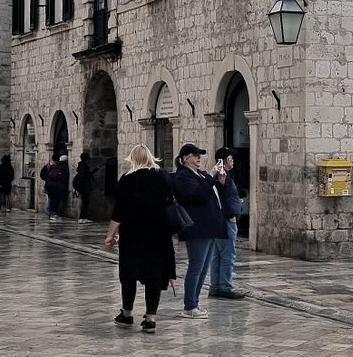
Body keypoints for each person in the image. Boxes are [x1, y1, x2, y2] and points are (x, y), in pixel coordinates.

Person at [103, 144, 176, 334]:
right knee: (154, 275)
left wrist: (110, 236)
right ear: (151, 157)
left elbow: (118, 211)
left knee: (129, 274)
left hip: (132, 234)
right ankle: (150, 319)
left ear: (133, 159)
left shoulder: (127, 180)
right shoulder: (163, 176)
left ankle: (126, 314)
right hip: (158, 234)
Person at [172, 143, 228, 319]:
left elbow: (212, 191)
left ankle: (194, 303)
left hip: (209, 226)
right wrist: (211, 176)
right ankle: (189, 306)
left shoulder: (201, 174)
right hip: (197, 227)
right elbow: (197, 195)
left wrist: (220, 180)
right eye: (195, 155)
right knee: (196, 266)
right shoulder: (182, 177)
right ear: (184, 159)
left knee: (204, 267)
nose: (199, 158)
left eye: (199, 155)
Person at [208, 147, 246, 300]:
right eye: (230, 159)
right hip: (226, 221)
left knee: (217, 255)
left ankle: (215, 287)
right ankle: (225, 286)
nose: (233, 161)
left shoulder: (225, 176)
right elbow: (221, 188)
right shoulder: (221, 176)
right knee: (228, 256)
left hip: (220, 221)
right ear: (223, 161)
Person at [42, 154, 70, 222]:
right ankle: (55, 215)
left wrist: (47, 185)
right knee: (56, 201)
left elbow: (46, 175)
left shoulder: (53, 166)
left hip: (50, 186)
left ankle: (51, 214)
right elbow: (65, 178)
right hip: (58, 186)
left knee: (52, 200)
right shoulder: (64, 167)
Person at [73, 152, 97, 222]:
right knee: (85, 202)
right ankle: (83, 218)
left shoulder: (81, 165)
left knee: (85, 202)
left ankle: (83, 217)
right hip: (84, 187)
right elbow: (84, 176)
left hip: (82, 187)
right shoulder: (84, 166)